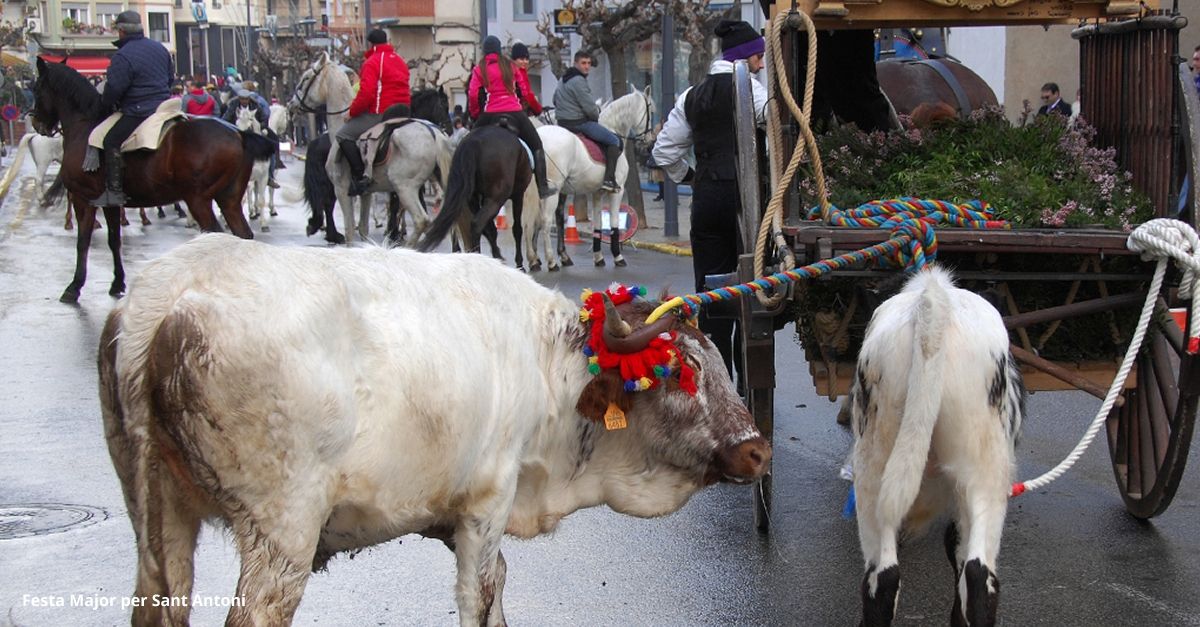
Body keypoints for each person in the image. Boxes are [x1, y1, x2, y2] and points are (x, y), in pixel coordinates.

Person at [651, 19, 768, 391]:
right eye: (758, 57)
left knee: (712, 295)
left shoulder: (691, 96)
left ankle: (719, 386)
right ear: (745, 58)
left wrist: (690, 177)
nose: (761, 64)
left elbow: (664, 151)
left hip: (707, 202)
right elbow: (770, 121)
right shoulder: (751, 88)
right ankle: (749, 380)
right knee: (751, 293)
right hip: (746, 206)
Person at [96, 10, 172, 207]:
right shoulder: (160, 48)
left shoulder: (123, 55)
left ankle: (114, 191)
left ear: (121, 31)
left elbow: (114, 89)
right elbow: (170, 78)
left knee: (110, 140)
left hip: (139, 109)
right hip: (164, 106)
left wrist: (106, 103)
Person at [467, 35, 555, 199]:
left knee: (467, 145)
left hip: (489, 113)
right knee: (536, 143)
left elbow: (473, 95)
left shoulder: (479, 69)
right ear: (499, 49)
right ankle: (543, 186)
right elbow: (522, 90)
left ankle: (467, 185)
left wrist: (475, 114)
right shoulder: (510, 66)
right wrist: (520, 105)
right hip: (514, 111)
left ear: (484, 51)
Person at [338, 28, 410, 196]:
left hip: (381, 113)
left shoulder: (372, 62)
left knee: (343, 135)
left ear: (370, 44)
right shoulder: (400, 60)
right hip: (404, 112)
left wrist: (352, 113)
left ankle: (360, 178)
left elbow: (366, 94)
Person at [553, 51, 621, 192]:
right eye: (583, 63)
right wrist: (596, 115)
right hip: (579, 123)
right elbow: (590, 108)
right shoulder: (579, 80)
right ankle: (609, 180)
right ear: (575, 63)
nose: (587, 67)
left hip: (562, 123)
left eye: (589, 63)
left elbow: (555, 99)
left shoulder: (563, 79)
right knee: (614, 140)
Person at [509, 42, 543, 117]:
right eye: (521, 59)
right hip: (519, 110)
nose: (525, 61)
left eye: (527, 59)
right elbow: (527, 95)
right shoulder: (519, 74)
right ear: (514, 59)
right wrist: (538, 110)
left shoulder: (508, 70)